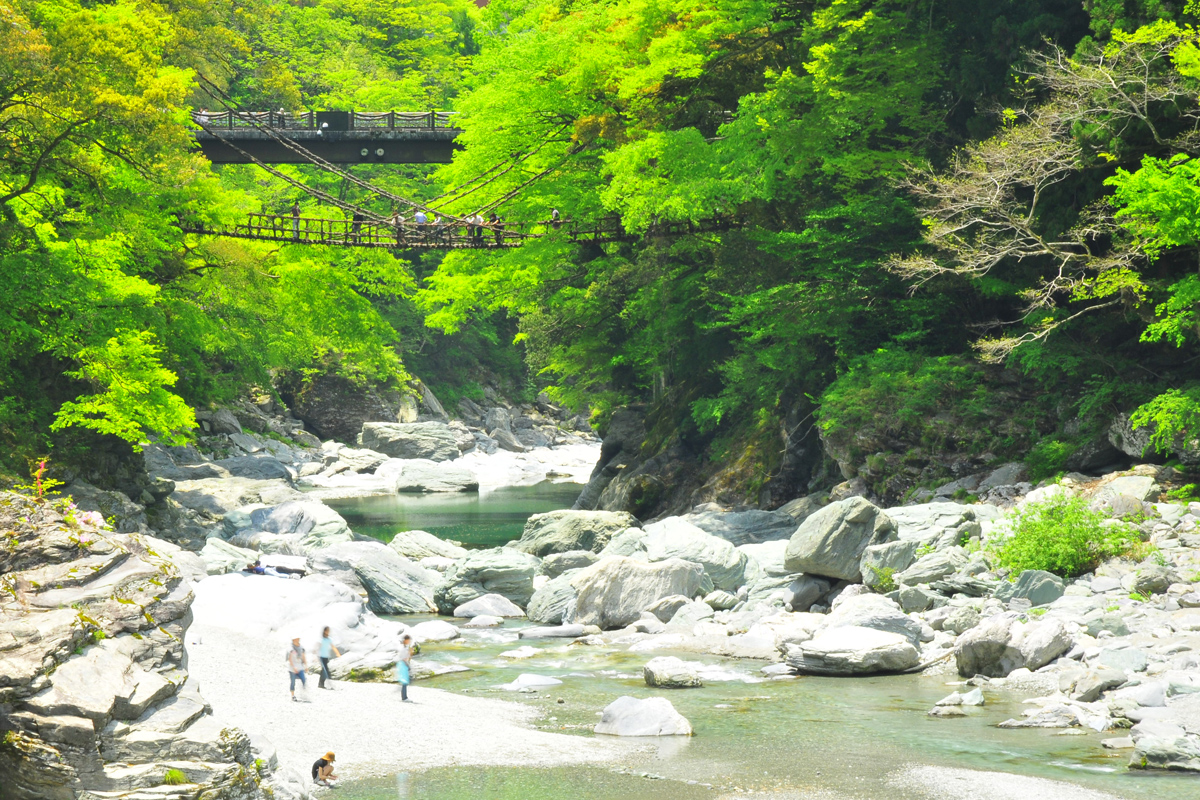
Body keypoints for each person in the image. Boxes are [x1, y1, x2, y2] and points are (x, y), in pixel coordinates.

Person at [287, 637, 308, 701]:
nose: (298, 640)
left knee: (304, 679)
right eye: (296, 639)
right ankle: (293, 696)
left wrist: (306, 666)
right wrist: (294, 667)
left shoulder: (301, 648)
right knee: (293, 682)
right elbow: (290, 659)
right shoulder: (291, 649)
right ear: (293, 640)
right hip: (292, 668)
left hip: (300, 667)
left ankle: (303, 692)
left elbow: (303, 657)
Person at [396, 634, 413, 702]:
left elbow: (408, 656)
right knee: (404, 681)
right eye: (409, 640)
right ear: (406, 640)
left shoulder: (405, 647)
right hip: (403, 664)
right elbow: (403, 657)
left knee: (405, 681)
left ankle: (404, 697)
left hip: (403, 664)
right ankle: (404, 697)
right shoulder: (403, 648)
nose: (409, 641)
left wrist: (410, 653)